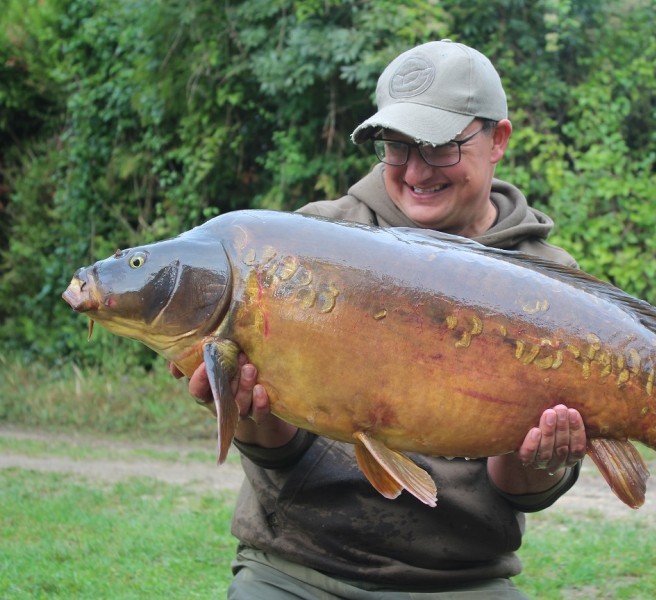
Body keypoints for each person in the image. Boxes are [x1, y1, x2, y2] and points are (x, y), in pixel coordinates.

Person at [173, 40, 588, 599]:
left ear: (499, 141)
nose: (416, 170)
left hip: (462, 579)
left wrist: (540, 459)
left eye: (440, 147)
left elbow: (518, 492)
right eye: (396, 147)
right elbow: (279, 449)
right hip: (297, 566)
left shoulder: (551, 283)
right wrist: (247, 411)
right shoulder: (305, 244)